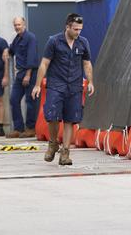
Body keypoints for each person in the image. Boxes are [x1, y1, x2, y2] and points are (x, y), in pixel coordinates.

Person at [32, 13, 94, 165]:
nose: (78, 32)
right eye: (75, 29)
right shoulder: (54, 41)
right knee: (52, 116)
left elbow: (87, 63)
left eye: (80, 29)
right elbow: (44, 63)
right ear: (67, 27)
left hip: (74, 86)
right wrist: (37, 85)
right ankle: (53, 143)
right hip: (56, 85)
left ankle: (65, 153)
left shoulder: (83, 42)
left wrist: (91, 82)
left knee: (70, 120)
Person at [8, 16, 39, 138]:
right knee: (14, 100)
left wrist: (28, 74)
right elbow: (11, 50)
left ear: (24, 24)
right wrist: (6, 51)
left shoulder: (30, 38)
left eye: (19, 25)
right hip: (20, 74)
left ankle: (31, 128)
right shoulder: (17, 39)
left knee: (30, 101)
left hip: (29, 73)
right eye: (15, 25)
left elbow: (32, 58)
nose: (17, 27)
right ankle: (18, 128)